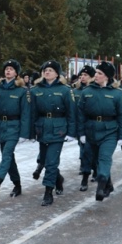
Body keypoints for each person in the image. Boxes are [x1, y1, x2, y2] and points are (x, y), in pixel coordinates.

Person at [77, 61, 122, 201]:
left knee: (104, 158)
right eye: (96, 72)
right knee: (95, 160)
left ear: (107, 77)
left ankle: (101, 187)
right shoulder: (87, 92)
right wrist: (81, 133)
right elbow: (80, 114)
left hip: (109, 132)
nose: (96, 75)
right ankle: (108, 184)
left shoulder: (117, 94)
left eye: (100, 73)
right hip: (91, 131)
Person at [30, 60, 76, 206]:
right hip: (42, 128)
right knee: (43, 160)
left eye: (50, 70)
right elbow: (32, 113)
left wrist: (71, 132)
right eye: (45, 69)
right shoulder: (35, 90)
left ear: (57, 73)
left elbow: (71, 112)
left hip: (58, 129)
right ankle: (58, 179)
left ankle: (48, 192)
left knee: (51, 162)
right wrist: (30, 132)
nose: (47, 72)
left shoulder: (65, 90)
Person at [0, 59, 30, 198]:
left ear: (16, 73)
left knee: (6, 155)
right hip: (1, 126)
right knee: (9, 158)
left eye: (11, 69)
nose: (8, 70)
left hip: (14, 126)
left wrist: (24, 133)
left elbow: (25, 113)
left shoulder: (21, 91)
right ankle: (17, 185)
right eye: (6, 68)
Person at [74, 65, 96, 190]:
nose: (82, 77)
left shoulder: (94, 90)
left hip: (92, 124)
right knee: (83, 149)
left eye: (86, 75)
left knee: (92, 150)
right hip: (80, 124)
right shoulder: (76, 91)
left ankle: (94, 169)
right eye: (81, 75)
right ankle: (85, 167)